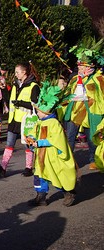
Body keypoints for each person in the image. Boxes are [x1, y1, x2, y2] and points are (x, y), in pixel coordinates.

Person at [25, 81, 77, 207]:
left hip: (52, 156)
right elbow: (34, 131)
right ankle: (41, 197)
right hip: (41, 155)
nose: (37, 113)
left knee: (57, 175)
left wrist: (40, 143)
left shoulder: (53, 123)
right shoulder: (40, 122)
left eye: (39, 111)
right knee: (39, 175)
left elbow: (57, 140)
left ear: (46, 112)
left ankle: (68, 192)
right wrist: (30, 137)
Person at [58, 36, 104, 170]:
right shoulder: (74, 79)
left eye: (82, 66)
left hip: (91, 112)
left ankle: (94, 159)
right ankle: (67, 159)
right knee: (70, 137)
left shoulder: (98, 79)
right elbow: (68, 95)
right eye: (78, 65)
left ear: (90, 67)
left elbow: (99, 94)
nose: (79, 68)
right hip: (75, 112)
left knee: (92, 138)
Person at [0, 62, 40, 178]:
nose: (15, 74)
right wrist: (3, 90)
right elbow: (10, 100)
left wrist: (21, 103)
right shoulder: (15, 85)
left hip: (26, 120)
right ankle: (3, 168)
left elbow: (36, 105)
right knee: (9, 144)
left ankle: (29, 168)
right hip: (13, 119)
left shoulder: (33, 86)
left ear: (24, 72)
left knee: (28, 144)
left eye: (17, 72)